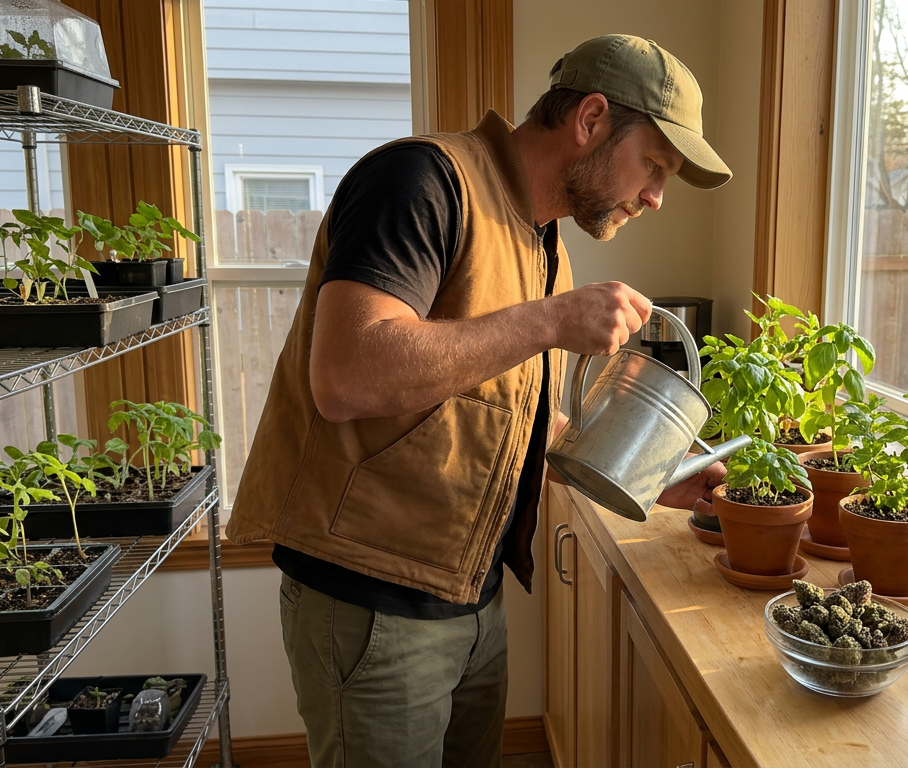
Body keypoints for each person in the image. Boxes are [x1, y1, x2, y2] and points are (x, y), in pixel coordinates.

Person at [226, 34, 732, 768]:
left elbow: (512, 415)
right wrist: (552, 320)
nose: (655, 196)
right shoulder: (421, 180)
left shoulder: (543, 241)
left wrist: (656, 473)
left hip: (472, 598)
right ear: (590, 119)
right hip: (373, 606)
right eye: (654, 165)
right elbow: (347, 375)